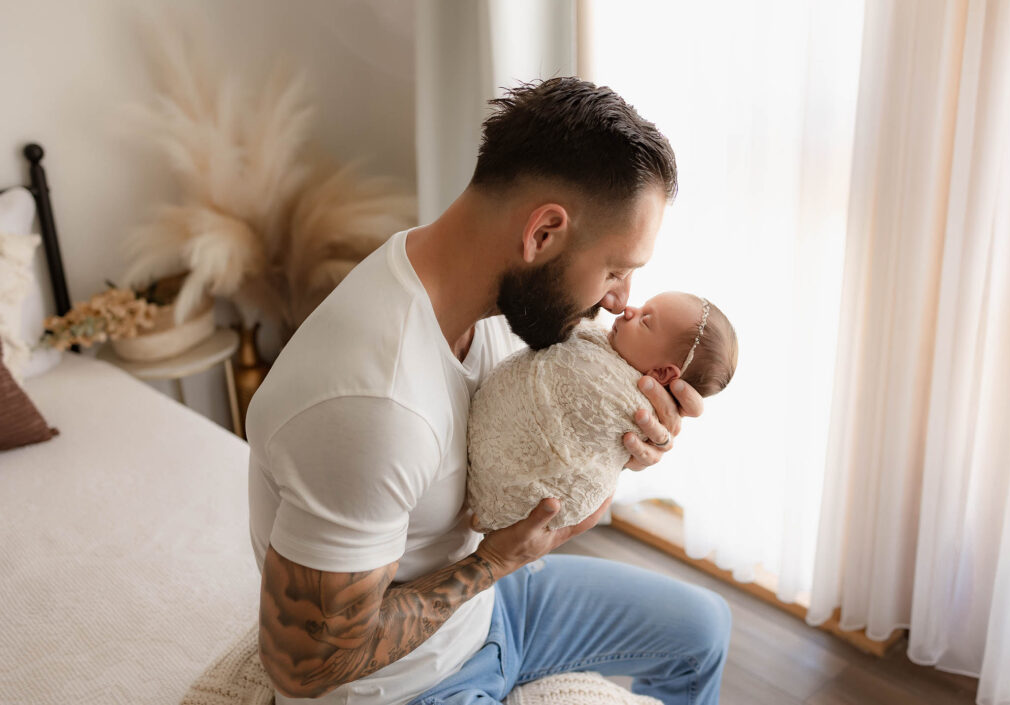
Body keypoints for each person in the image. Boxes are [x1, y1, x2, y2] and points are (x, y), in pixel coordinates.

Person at [246, 77, 732, 705]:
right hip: (404, 685)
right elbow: (302, 663)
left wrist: (622, 444)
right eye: (615, 270)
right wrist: (493, 564)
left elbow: (550, 471)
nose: (618, 301)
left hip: (490, 608)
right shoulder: (371, 404)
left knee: (704, 628)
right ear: (542, 235)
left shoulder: (494, 290)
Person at [467, 292, 738, 532]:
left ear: (662, 373)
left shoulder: (629, 399)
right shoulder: (598, 347)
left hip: (519, 502)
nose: (626, 308)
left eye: (645, 320)